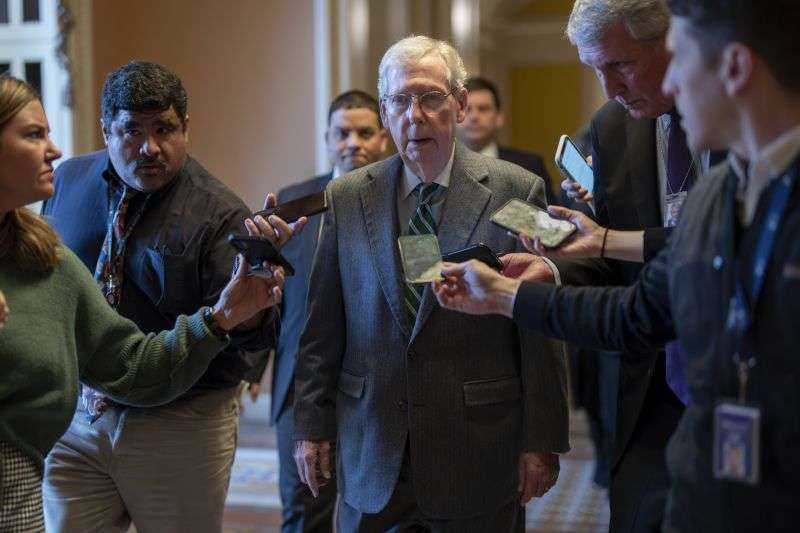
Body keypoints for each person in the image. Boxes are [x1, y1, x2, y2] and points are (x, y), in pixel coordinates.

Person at [433, 1, 800, 531]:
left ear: (735, 69)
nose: (673, 84)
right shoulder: (717, 194)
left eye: (680, 59)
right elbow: (638, 312)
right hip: (698, 463)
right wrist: (506, 295)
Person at [290, 35, 568, 532]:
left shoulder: (513, 189)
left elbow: (540, 321)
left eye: (431, 97)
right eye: (399, 100)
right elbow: (322, 326)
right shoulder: (348, 196)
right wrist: (311, 426)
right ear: (383, 109)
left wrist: (540, 438)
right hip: (373, 448)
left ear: (459, 105)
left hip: (477, 451)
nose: (414, 115)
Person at [0, 74, 283, 532]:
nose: (150, 147)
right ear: (107, 130)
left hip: (176, 417)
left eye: (164, 129)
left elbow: (131, 360)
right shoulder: (68, 183)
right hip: (73, 430)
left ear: (185, 128)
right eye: (133, 131)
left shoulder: (219, 213)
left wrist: (228, 315)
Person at [271, 89, 387, 532]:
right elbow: (274, 288)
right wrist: (251, 369)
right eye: (342, 133)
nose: (352, 143)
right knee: (302, 508)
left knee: (370, 506)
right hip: (298, 381)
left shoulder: (403, 200)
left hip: (373, 381)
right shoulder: (295, 199)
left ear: (384, 138)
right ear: (327, 137)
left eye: (364, 132)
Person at [457, 76, 556, 204]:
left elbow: (550, 219)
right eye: (467, 109)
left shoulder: (530, 166)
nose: (474, 117)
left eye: (483, 109)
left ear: (499, 118)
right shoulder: (441, 166)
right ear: (456, 116)